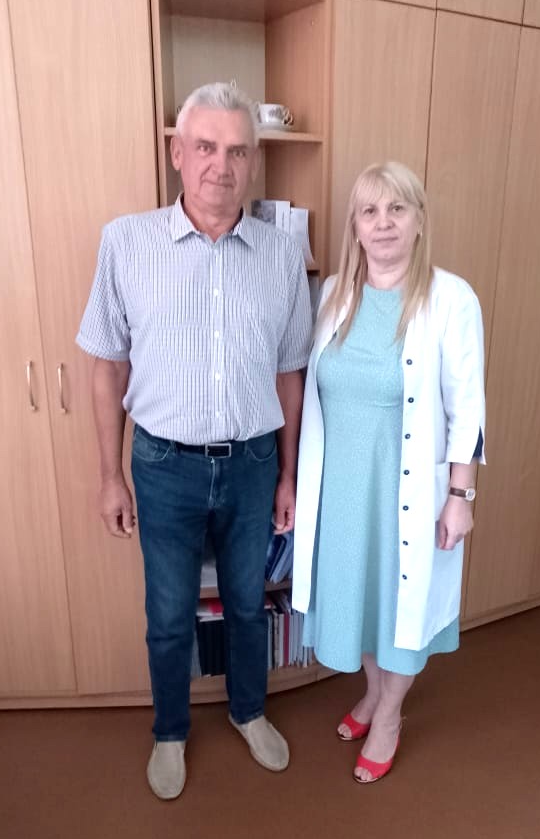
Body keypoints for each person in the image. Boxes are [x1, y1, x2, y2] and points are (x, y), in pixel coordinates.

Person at [76, 82, 312, 800]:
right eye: (205, 146)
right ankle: (170, 730)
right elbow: (107, 365)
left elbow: (290, 372)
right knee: (170, 612)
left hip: (252, 463)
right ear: (177, 153)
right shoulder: (126, 243)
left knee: (245, 602)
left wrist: (288, 476)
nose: (221, 164)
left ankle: (248, 711)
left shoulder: (282, 255)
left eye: (237, 150)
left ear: (254, 161)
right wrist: (110, 476)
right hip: (162, 465)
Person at [292, 161, 486, 784]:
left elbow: (468, 406)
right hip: (341, 492)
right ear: (355, 225)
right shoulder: (334, 295)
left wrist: (460, 494)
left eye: (397, 209)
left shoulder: (450, 299)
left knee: (401, 605)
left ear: (419, 220)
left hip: (407, 492)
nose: (383, 223)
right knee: (364, 601)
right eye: (370, 211)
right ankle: (374, 693)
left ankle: (390, 716)